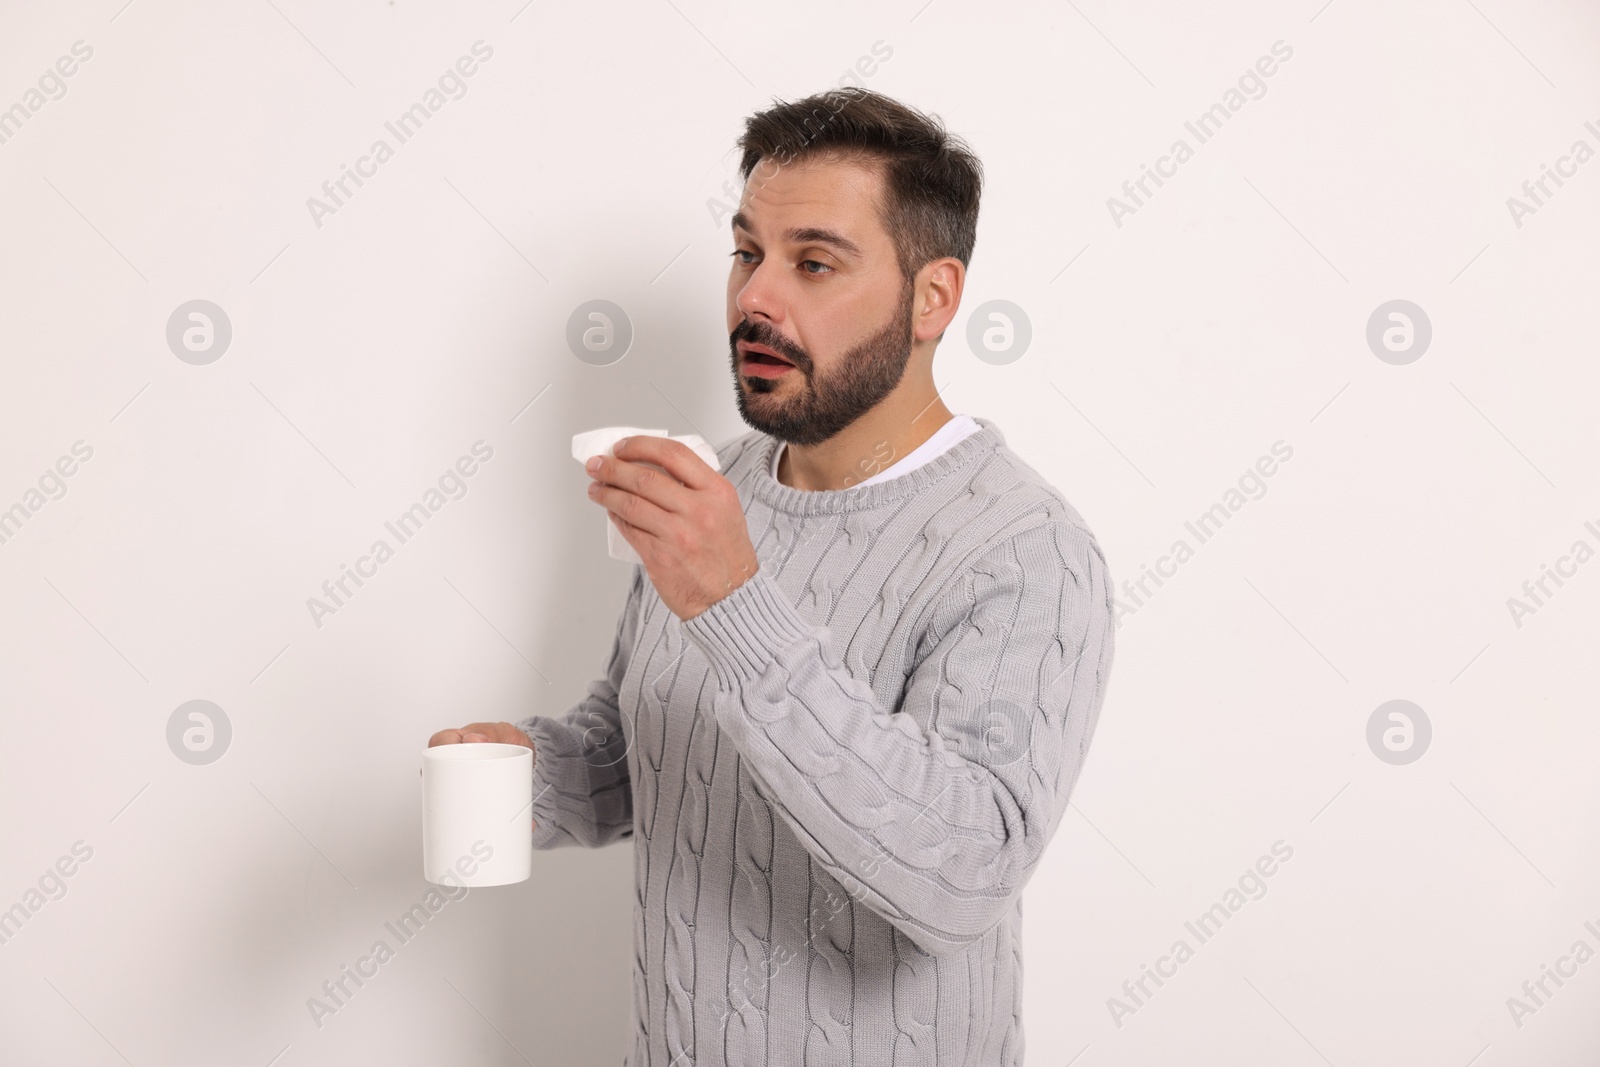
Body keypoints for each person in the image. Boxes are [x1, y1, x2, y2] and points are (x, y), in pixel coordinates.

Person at [430, 86, 1116, 1067]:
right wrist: (527, 773)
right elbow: (643, 761)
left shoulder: (1022, 547)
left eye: (814, 263)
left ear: (934, 297)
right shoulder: (715, 492)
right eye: (747, 251)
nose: (756, 295)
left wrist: (736, 604)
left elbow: (964, 873)